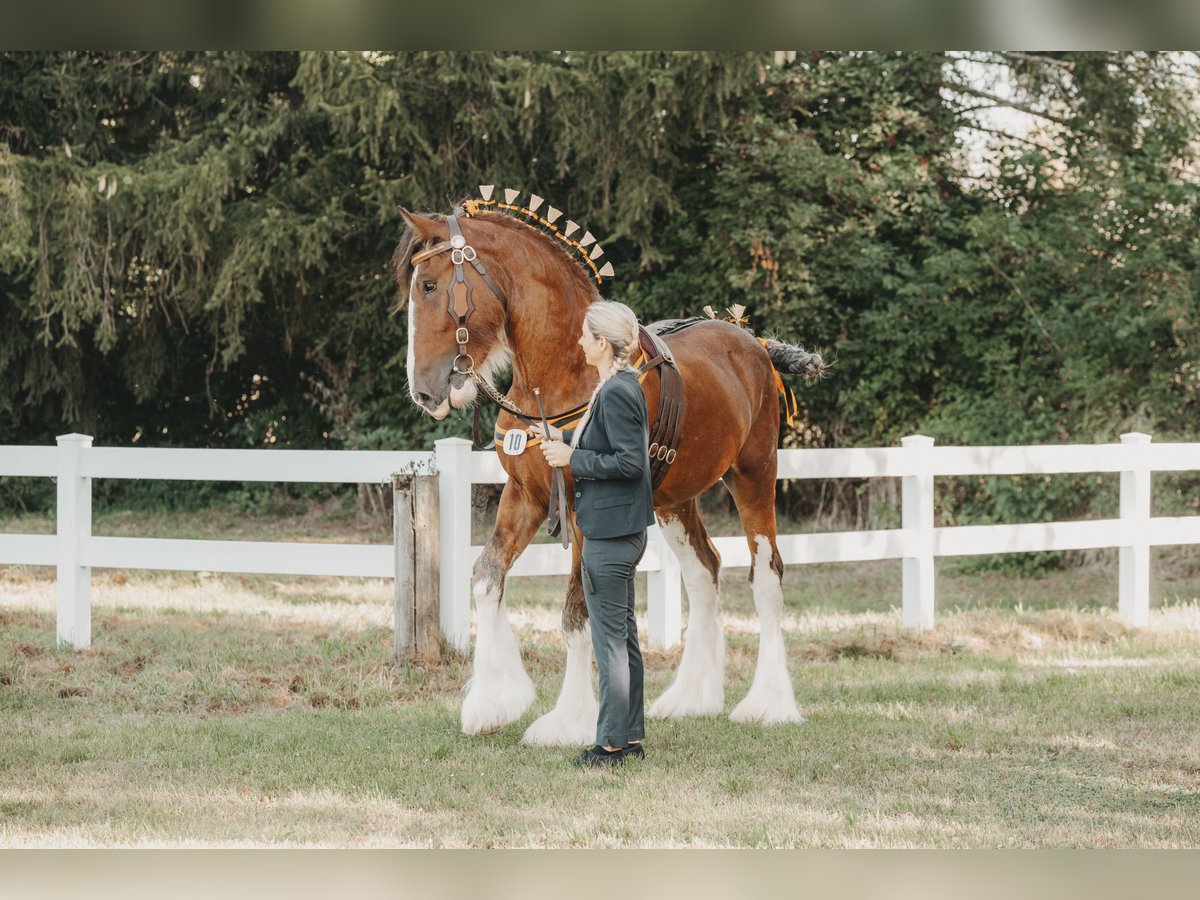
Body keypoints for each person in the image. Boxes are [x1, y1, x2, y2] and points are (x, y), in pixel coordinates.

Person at [532, 300, 655, 768]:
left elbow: (630, 463)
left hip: (610, 533)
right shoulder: (617, 386)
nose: (579, 343)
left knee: (611, 643)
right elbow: (606, 440)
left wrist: (573, 461)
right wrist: (566, 440)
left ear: (603, 343)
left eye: (585, 336)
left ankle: (609, 745)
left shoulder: (619, 392)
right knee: (623, 636)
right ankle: (630, 736)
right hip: (617, 529)